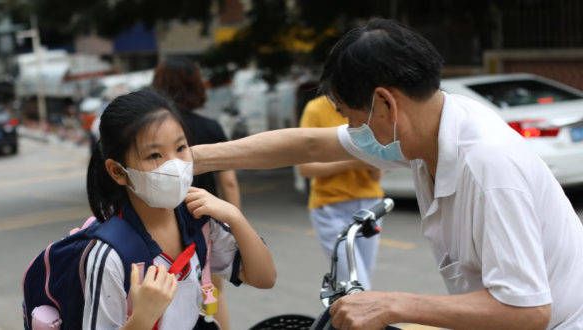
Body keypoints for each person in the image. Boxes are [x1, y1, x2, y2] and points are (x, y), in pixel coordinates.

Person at [190, 18, 583, 330]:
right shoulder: (429, 128)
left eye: (352, 118)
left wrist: (393, 304)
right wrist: (194, 158)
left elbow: (528, 311)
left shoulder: (487, 166)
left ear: (385, 103)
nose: (354, 131)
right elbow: (308, 145)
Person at [84, 89, 275, 329]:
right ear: (118, 171)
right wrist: (143, 317)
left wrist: (234, 217)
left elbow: (264, 277)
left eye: (181, 148)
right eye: (155, 154)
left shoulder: (197, 219)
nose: (174, 165)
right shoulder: (110, 255)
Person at [152, 56, 241, 329]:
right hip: (204, 221)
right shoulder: (210, 126)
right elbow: (229, 182)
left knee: (166, 300)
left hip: (161, 223)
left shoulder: (152, 130)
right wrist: (232, 223)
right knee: (212, 294)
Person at [297, 95, 383, 290]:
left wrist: (374, 160)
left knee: (359, 283)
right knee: (358, 285)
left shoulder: (367, 104)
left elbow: (376, 174)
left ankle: (347, 317)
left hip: (369, 205)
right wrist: (354, 160)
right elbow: (306, 169)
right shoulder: (315, 109)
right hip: (329, 207)